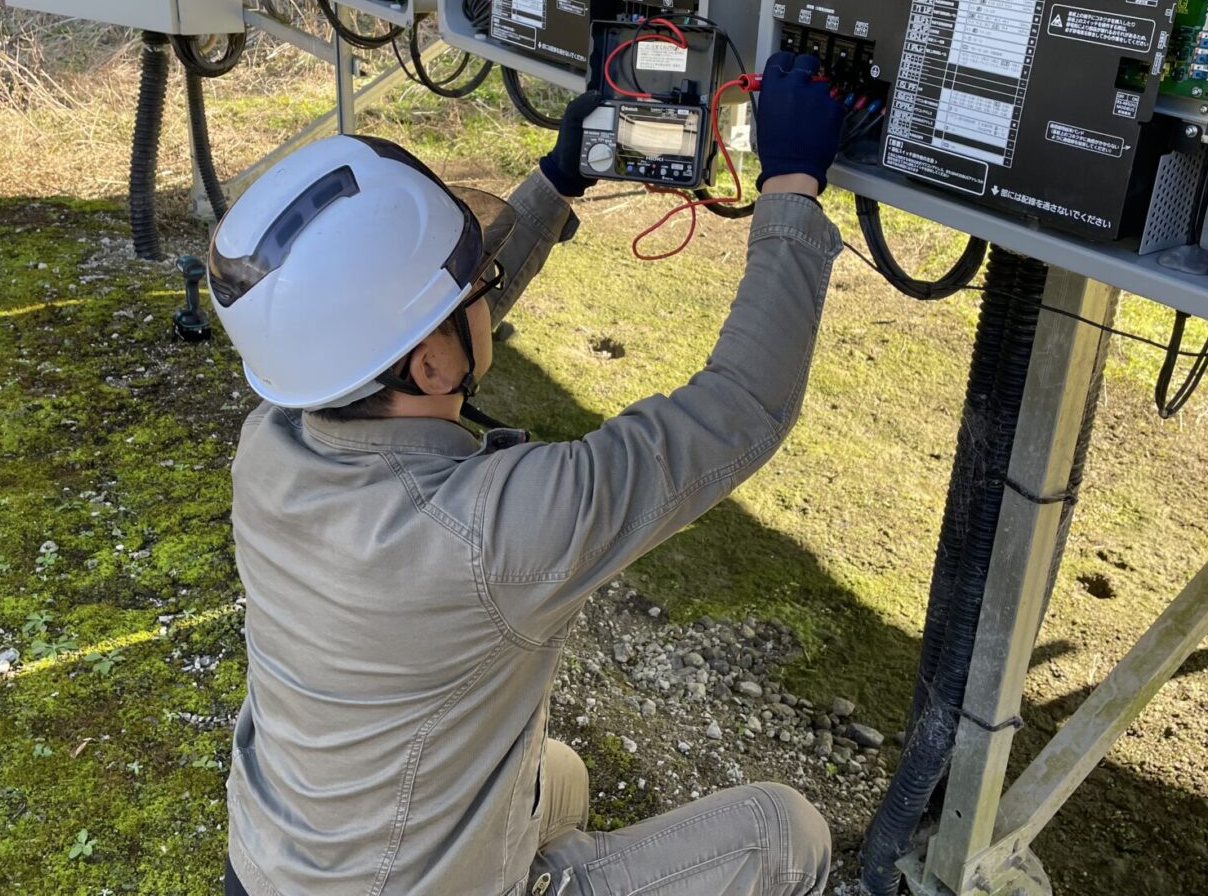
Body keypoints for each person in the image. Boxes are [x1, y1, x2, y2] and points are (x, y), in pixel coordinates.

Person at [209, 52, 846, 896]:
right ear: (432, 363)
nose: (487, 291)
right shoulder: (494, 532)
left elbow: (411, 346)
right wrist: (792, 186)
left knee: (562, 777)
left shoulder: (273, 440)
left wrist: (555, 181)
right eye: (476, 283)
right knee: (785, 834)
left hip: (273, 868)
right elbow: (741, 407)